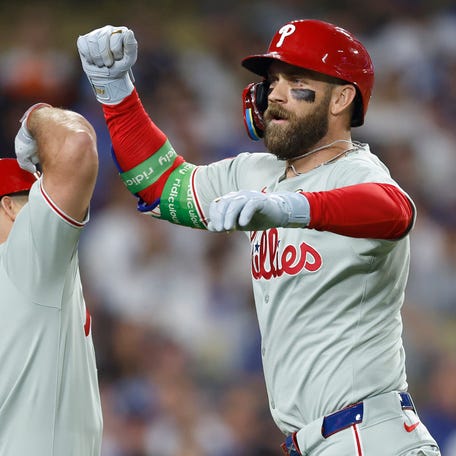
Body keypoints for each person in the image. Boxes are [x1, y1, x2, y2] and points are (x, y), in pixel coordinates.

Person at [77, 20, 440, 455]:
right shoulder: (254, 172)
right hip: (312, 441)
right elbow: (161, 187)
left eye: (298, 81)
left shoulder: (358, 172)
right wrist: (116, 94)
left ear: (342, 98)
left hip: (371, 436)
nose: (277, 94)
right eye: (273, 81)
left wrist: (296, 207)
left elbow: (394, 211)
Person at [0, 104, 102, 455]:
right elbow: (76, 144)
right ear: (10, 207)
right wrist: (34, 117)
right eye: (36, 199)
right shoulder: (25, 257)